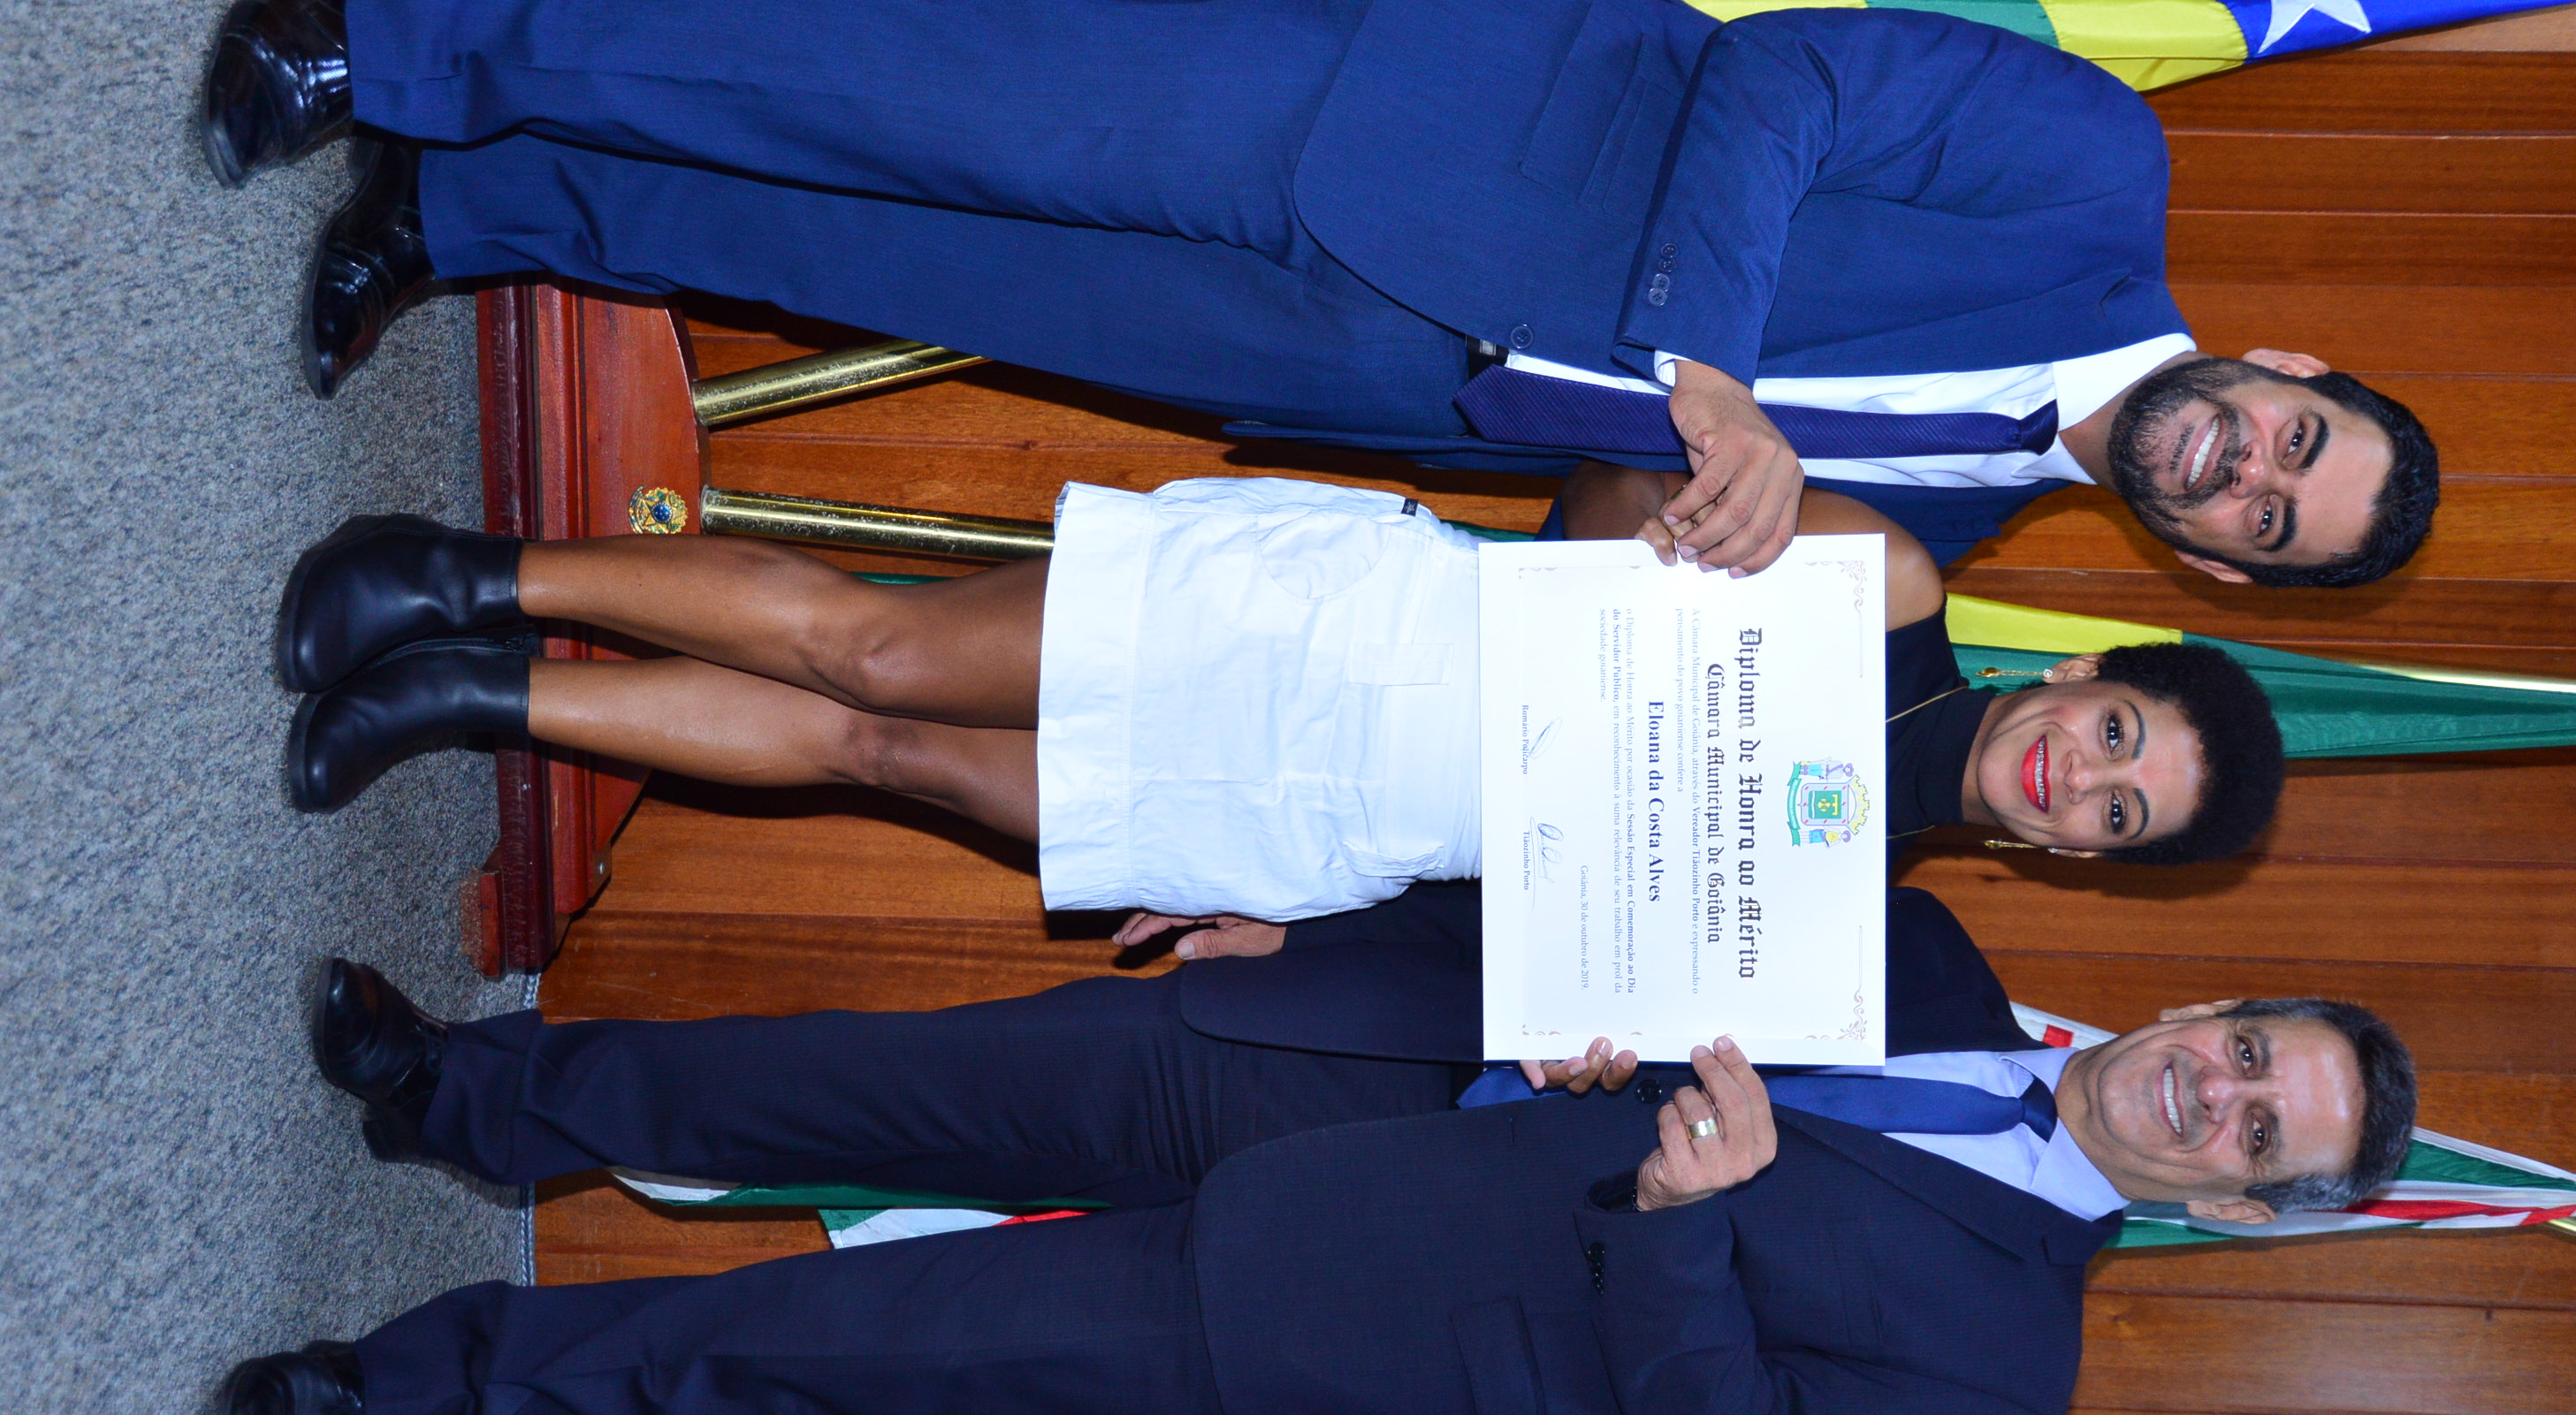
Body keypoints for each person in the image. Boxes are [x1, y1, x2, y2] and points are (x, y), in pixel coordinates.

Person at [200, 0, 2437, 585]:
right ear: (2294, 367)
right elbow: (1788, 84)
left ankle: (470, 205)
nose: (2242, 468)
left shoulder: (1950, 532)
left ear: (2224, 569)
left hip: (1373, 366)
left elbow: (1619, 523)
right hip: (1419, 121)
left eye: (2267, 516)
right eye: (2290, 441)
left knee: (890, 256)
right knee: (883, 91)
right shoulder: (2091, 175)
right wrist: (1722, 377)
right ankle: (387, 37)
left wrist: (1679, 555)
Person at [215, 896, 2416, 1415]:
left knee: (838, 1353)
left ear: (2241, 1209)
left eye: (2256, 1132)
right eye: (2247, 1048)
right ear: (2203, 1001)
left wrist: (1681, 1218)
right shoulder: (1915, 941)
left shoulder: (2006, 1372)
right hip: (1330, 1052)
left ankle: (415, 1403)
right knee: (853, 1074)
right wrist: (1329, 925)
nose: (2214, 1091)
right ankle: (463, 1088)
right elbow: (1589, 884)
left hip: (1354, 1317)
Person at [273, 474, 2285, 920]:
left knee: (888, 757)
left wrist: (1297, 925)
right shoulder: (1897, 588)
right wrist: (1670, 537)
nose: (2076, 777)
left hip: (1332, 830)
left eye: (2117, 813)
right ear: (2085, 672)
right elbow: (1596, 495)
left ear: (2078, 861)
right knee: (883, 650)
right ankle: (459, 571)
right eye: (2118, 733)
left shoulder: (1835, 928)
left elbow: (1530, 929)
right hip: (1344, 635)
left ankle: (472, 698)